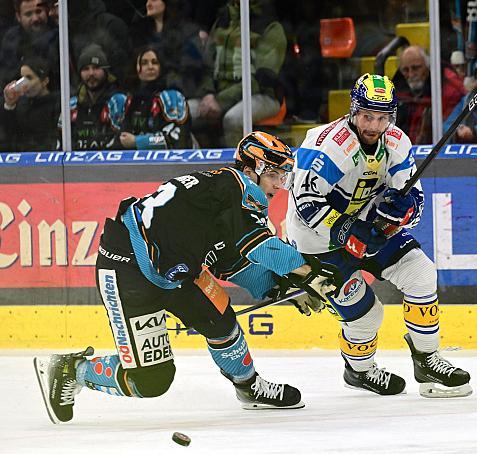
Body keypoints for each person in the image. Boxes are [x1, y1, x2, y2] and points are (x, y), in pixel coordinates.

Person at [33, 131, 342, 423]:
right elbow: (259, 245)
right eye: (274, 175)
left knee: (220, 319)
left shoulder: (222, 197)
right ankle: (72, 370)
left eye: (283, 176)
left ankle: (249, 387)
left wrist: (279, 285)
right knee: (151, 381)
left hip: (176, 270)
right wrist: (310, 274)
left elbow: (231, 261)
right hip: (128, 269)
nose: (279, 185)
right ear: (251, 170)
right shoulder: (235, 188)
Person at [286, 73, 471, 398]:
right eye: (367, 116)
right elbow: (306, 205)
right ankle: (358, 371)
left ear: (391, 117)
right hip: (317, 243)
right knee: (368, 314)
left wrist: (404, 208)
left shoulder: (396, 143)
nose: (373, 125)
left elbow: (417, 203)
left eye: (382, 117)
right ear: (353, 111)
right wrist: (346, 230)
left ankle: (427, 358)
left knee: (421, 273)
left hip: (366, 226)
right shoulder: (327, 145)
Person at [206, 0, 287, 145]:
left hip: (263, 95)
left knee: (233, 119)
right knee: (184, 112)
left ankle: (241, 167)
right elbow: (206, 65)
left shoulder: (270, 25)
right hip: (218, 94)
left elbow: (263, 78)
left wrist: (220, 100)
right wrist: (207, 93)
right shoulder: (222, 21)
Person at [131, 0, 215, 128]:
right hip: (152, 96)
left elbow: (192, 73)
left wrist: (165, 87)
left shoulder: (187, 32)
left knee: (169, 118)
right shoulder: (144, 33)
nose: (148, 4)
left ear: (165, 3)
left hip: (186, 96)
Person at [110, 46, 191, 149]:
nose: (150, 67)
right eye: (144, 63)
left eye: (155, 62)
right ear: (137, 68)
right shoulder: (131, 101)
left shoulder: (172, 97)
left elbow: (173, 139)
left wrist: (137, 141)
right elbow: (120, 139)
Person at [392, 45, 465, 144]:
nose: (410, 74)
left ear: (428, 66)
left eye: (415, 68)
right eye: (405, 70)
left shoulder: (447, 89)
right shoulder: (396, 92)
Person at [66, 44, 124, 150]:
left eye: (96, 68)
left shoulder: (118, 101)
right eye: (85, 69)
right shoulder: (71, 104)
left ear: (106, 71)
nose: (91, 73)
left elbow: (121, 140)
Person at [0, 0, 57, 87]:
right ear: (18, 17)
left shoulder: (58, 35)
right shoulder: (11, 38)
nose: (35, 18)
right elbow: (6, 75)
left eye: (39, 11)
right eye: (28, 14)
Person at [0, 57, 59, 152]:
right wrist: (9, 105)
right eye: (21, 78)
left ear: (45, 81)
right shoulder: (20, 104)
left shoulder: (58, 104)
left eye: (29, 78)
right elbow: (9, 135)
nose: (24, 84)